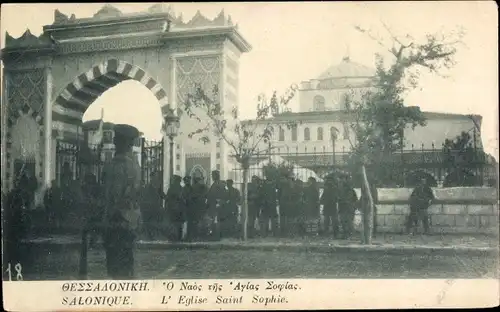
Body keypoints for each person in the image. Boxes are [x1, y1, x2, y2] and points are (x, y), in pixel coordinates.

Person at [102, 124, 142, 279]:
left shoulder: (119, 165)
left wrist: (107, 216)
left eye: (117, 140)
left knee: (116, 267)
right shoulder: (133, 165)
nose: (114, 142)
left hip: (118, 220)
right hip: (129, 220)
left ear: (123, 143)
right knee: (125, 264)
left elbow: (115, 195)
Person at [140, 171, 165, 240]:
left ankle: (153, 236)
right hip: (149, 208)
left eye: (157, 177)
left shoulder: (158, 187)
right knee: (149, 223)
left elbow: (162, 196)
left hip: (155, 208)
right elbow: (145, 198)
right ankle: (149, 236)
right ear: (151, 178)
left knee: (155, 223)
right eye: (155, 177)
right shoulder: (148, 187)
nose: (156, 179)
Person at [206, 170, 227, 240]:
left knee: (216, 221)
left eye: (213, 175)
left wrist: (219, 202)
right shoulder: (215, 184)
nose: (212, 177)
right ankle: (216, 235)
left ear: (216, 175)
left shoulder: (219, 184)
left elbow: (223, 195)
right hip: (214, 205)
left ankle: (217, 236)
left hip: (217, 206)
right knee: (214, 220)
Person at [188, 174, 208, 241]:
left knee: (196, 222)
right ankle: (199, 236)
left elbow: (191, 196)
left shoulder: (194, 186)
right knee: (199, 221)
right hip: (199, 206)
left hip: (196, 206)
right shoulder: (202, 186)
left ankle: (196, 236)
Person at [166, 175, 184, 241]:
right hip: (178, 209)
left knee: (173, 223)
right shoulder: (181, 188)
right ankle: (178, 237)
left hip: (173, 209)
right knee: (178, 224)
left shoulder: (171, 188)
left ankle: (173, 237)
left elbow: (167, 199)